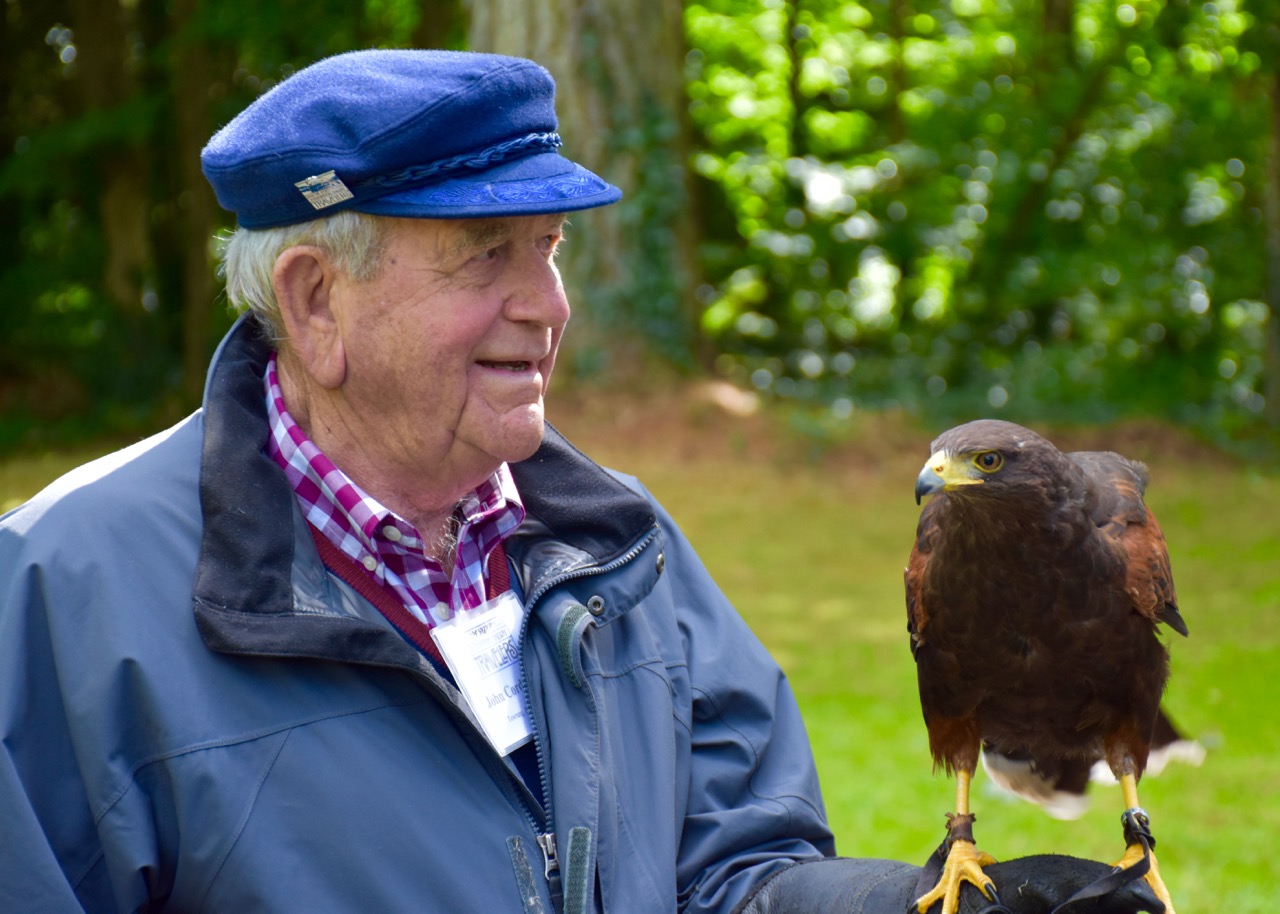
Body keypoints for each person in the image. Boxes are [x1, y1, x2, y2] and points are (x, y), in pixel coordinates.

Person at [0, 50, 1162, 913]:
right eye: (486, 257)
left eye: (550, 251)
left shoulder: (618, 544)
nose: (549, 309)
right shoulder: (64, 592)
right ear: (314, 301)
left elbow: (732, 874)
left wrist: (925, 909)